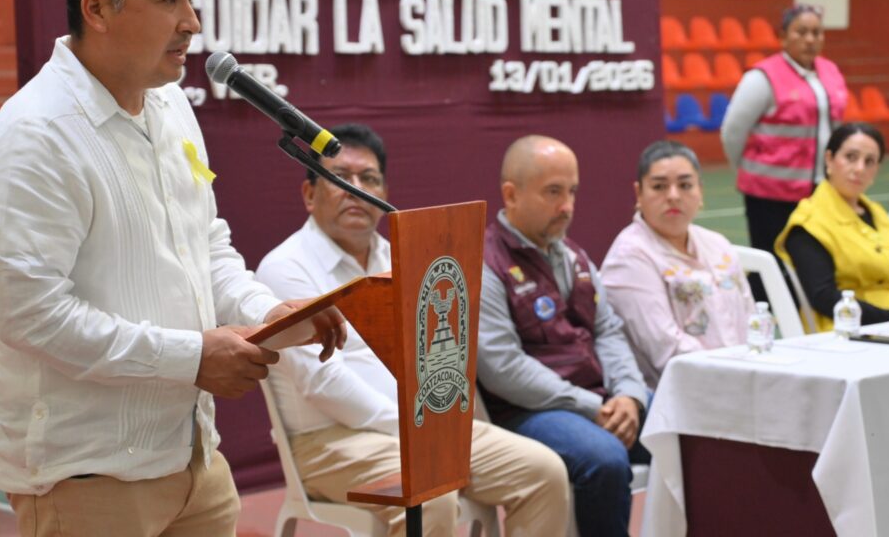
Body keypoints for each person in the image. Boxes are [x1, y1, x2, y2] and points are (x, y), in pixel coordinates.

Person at [0, 0, 345, 536]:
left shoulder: (169, 105)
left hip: (193, 455)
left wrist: (266, 311)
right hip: (89, 477)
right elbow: (32, 316)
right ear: (97, 9)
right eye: (170, 0)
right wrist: (190, 357)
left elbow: (206, 245)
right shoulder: (34, 136)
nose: (192, 23)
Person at [255, 124, 569, 536]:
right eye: (339, 177)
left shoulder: (402, 256)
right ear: (309, 194)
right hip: (332, 441)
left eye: (369, 179)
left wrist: (431, 430)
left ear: (383, 193)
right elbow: (322, 381)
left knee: (545, 472)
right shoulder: (284, 268)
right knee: (428, 496)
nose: (355, 189)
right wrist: (414, 430)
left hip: (422, 429)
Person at [478, 135, 649, 537]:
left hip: (598, 400)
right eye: (553, 192)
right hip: (526, 412)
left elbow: (608, 330)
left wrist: (629, 394)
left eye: (572, 191)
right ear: (511, 194)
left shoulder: (574, 255)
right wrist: (592, 406)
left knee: (678, 424)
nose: (568, 206)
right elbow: (502, 367)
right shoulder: (484, 264)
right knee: (604, 459)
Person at [601, 140, 755, 388]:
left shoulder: (718, 245)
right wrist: (735, 376)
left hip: (743, 378)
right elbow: (666, 349)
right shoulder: (629, 258)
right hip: (682, 391)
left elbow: (751, 320)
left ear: (700, 191)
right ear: (639, 194)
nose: (673, 196)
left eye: (685, 185)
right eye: (659, 187)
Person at [719, 4, 848, 259]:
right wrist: (746, 169)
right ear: (783, 36)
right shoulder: (762, 77)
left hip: (819, 189)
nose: (810, 39)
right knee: (772, 262)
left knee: (813, 260)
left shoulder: (831, 72)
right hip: (769, 194)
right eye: (801, 32)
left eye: (816, 32)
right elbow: (732, 132)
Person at [775, 123, 889, 331]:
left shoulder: (876, 212)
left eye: (869, 161)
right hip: (848, 330)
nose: (860, 168)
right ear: (829, 159)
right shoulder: (808, 223)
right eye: (851, 157)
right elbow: (824, 297)